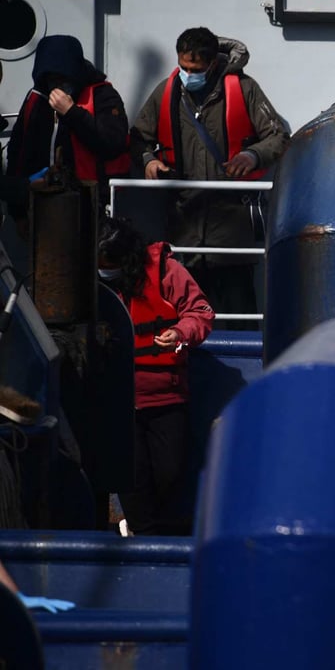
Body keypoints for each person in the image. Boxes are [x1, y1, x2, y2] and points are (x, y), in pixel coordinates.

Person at [130, 27, 290, 326]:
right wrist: (149, 161)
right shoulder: (166, 92)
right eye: (184, 67)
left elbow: (279, 136)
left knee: (240, 311)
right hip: (184, 227)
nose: (188, 74)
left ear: (213, 64)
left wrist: (251, 155)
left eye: (196, 69)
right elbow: (138, 137)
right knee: (187, 313)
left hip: (231, 230)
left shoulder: (244, 89)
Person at [97, 216, 214, 535]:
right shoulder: (86, 279)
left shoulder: (166, 270)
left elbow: (200, 313)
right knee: (130, 476)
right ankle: (139, 533)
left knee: (170, 472)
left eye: (108, 262)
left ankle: (153, 532)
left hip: (166, 395)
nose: (103, 269)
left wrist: (180, 332)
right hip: (117, 399)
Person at [4, 34, 130, 221]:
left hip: (88, 203)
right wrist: (18, 211)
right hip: (40, 202)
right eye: (50, 80)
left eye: (62, 79)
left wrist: (72, 112)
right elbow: (17, 152)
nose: (56, 86)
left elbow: (112, 143)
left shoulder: (103, 95)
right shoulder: (37, 98)